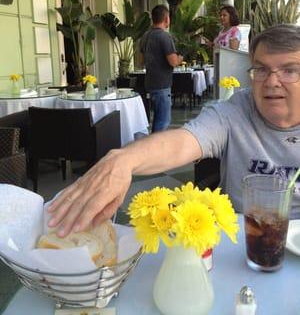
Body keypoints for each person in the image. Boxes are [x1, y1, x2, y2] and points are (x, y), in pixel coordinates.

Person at [48, 24, 300, 236]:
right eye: (262, 69)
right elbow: (183, 141)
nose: (271, 81)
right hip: (241, 243)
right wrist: (123, 160)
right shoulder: (235, 111)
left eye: (289, 70)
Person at [139, 4, 183, 132]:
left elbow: (141, 61)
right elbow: (173, 62)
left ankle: (153, 145)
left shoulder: (145, 36)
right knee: (163, 120)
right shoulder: (165, 36)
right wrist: (180, 57)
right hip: (162, 84)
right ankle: (156, 149)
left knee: (157, 119)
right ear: (166, 18)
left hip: (149, 82)